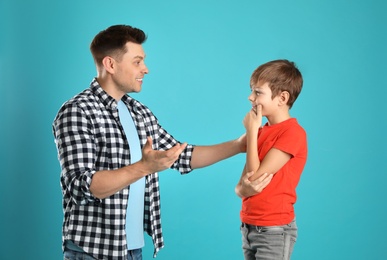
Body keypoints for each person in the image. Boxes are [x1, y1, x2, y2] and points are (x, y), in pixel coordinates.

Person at [52, 24, 272, 260]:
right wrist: (144, 167)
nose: (145, 69)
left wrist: (239, 145)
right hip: (92, 251)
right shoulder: (77, 111)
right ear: (110, 64)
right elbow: (81, 186)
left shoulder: (139, 112)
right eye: (137, 61)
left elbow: (181, 156)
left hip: (132, 250)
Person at [234, 59, 307, 260]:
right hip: (249, 227)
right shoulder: (262, 132)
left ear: (282, 98)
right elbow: (241, 187)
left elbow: (254, 177)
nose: (250, 97)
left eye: (258, 92)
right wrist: (254, 133)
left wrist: (250, 131)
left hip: (274, 230)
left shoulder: (293, 133)